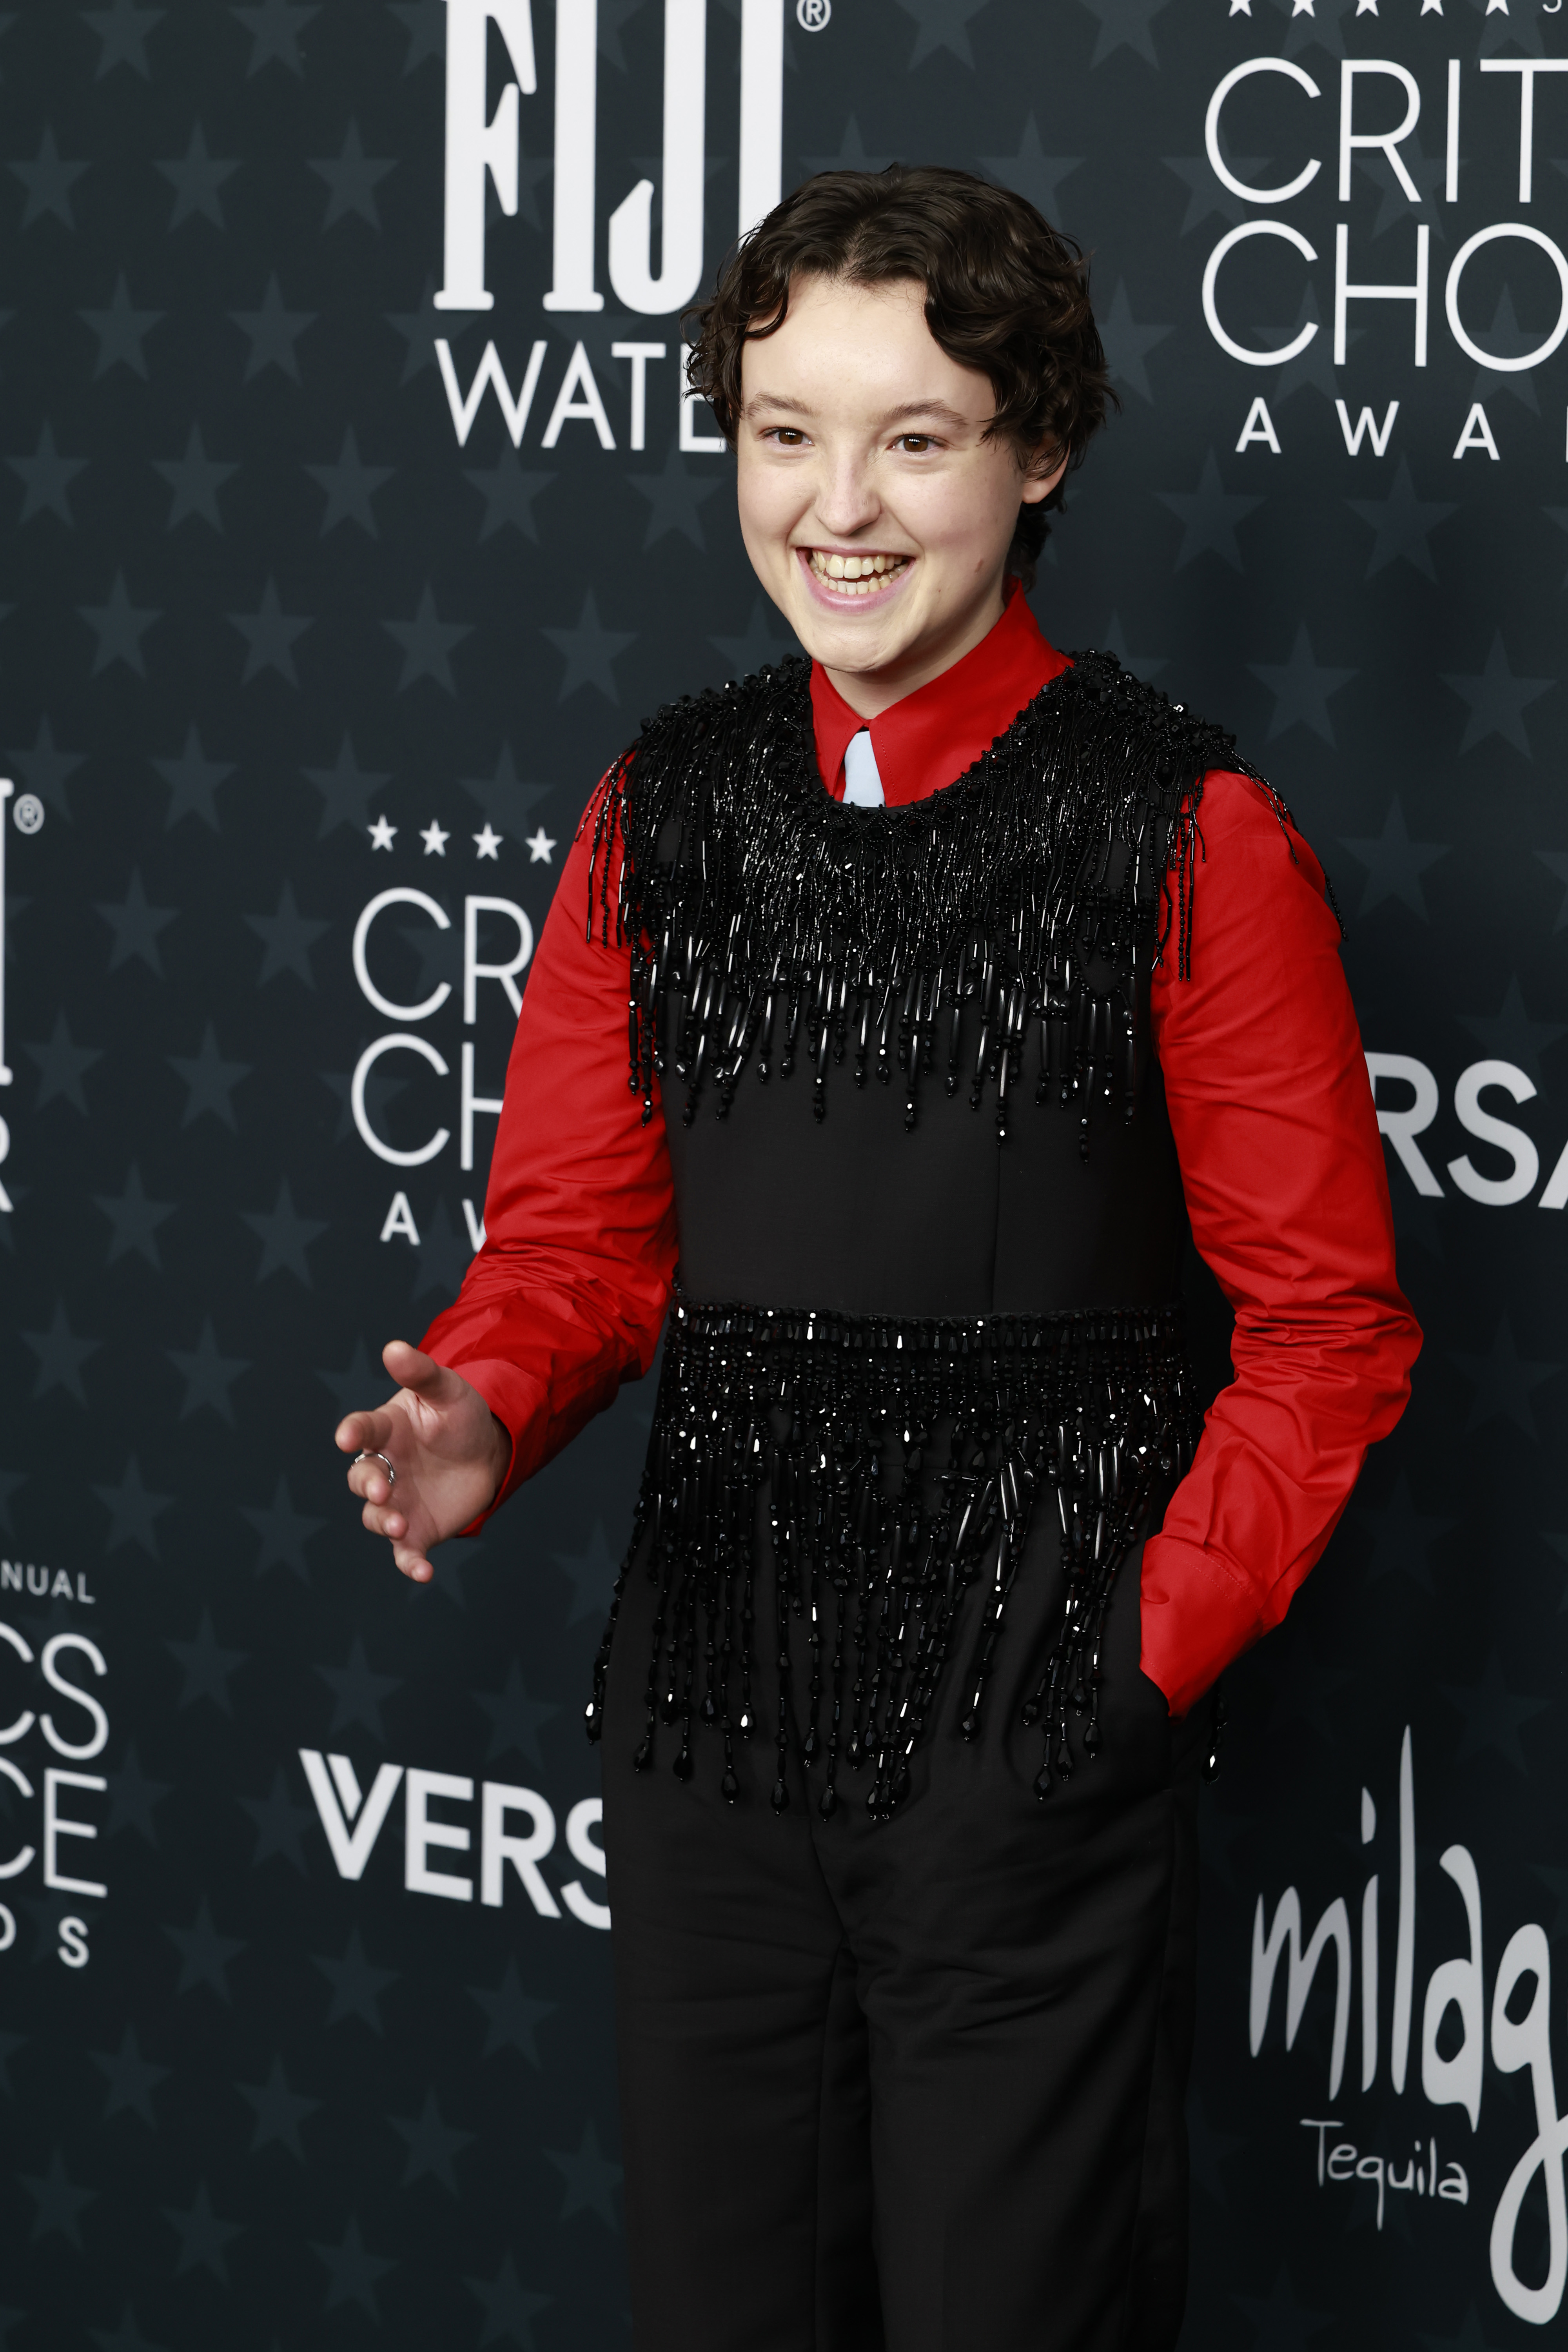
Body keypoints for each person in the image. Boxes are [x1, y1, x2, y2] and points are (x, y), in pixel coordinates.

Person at [335, 167, 1420, 2352]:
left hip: (1027, 1761)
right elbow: (578, 1241)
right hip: (709, 1748)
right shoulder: (664, 808)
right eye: (782, 432)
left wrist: (1125, 1669)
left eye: (913, 438)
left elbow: (1329, 1334)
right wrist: (488, 1406)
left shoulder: (1188, 835)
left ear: (1040, 458)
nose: (837, 506)